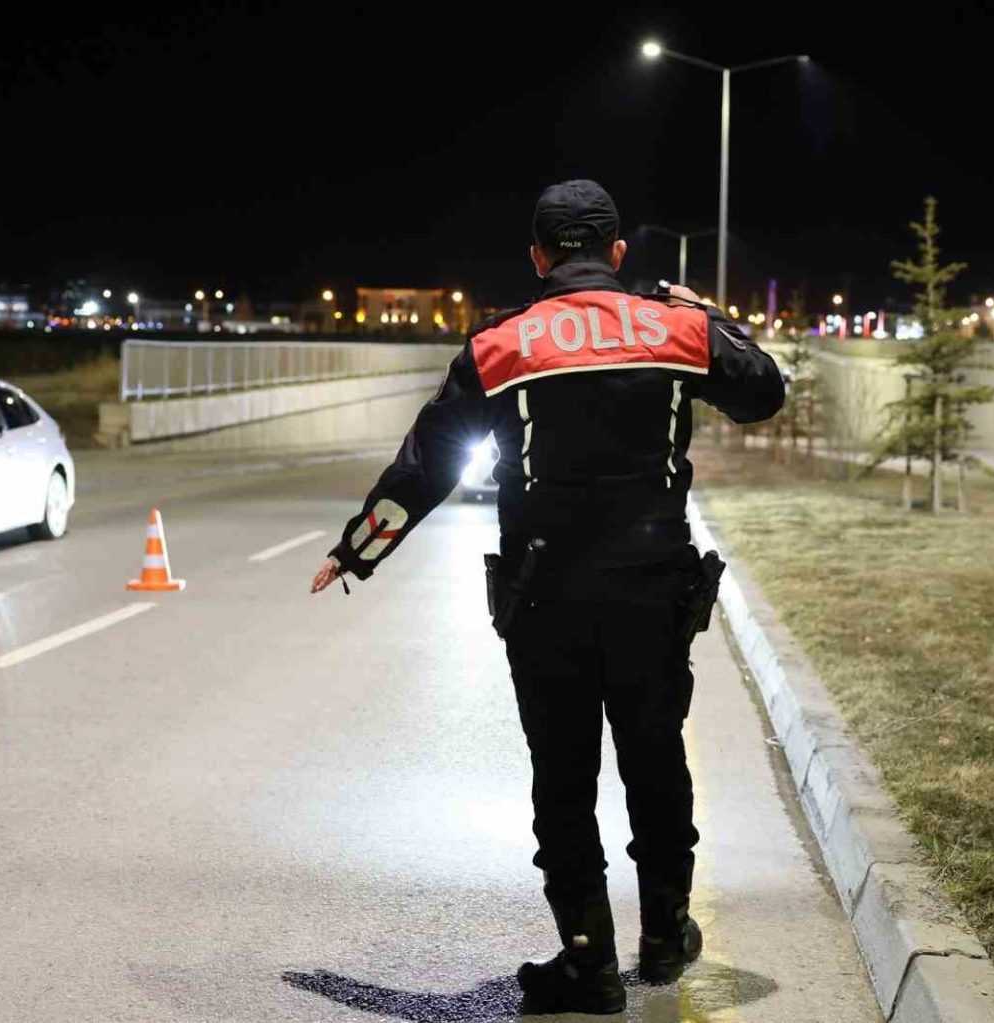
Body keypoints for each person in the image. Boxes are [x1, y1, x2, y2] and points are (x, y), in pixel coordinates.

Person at [311, 179, 783, 1014]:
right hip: (653, 596)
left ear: (537, 257)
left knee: (563, 779)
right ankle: (666, 934)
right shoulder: (675, 328)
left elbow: (428, 462)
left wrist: (358, 549)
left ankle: (587, 962)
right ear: (618, 252)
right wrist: (702, 310)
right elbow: (764, 390)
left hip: (547, 601)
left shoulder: (502, 344)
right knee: (656, 760)